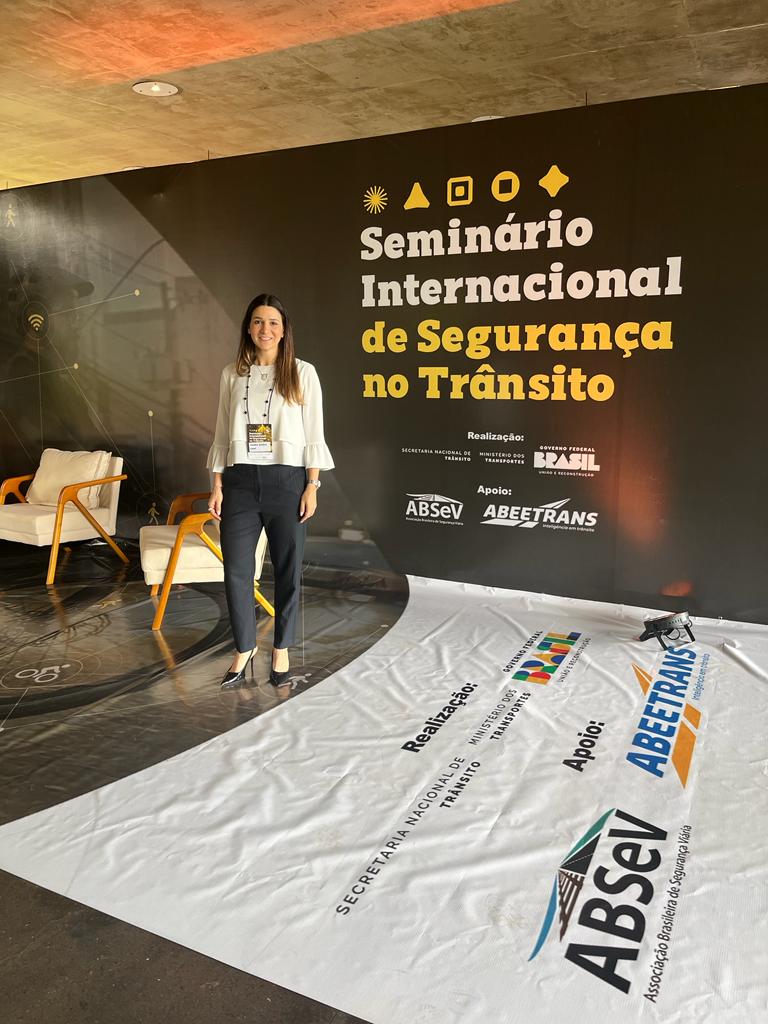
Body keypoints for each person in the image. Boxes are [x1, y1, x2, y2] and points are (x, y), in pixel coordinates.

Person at [206, 294, 334, 688]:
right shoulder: (231, 374)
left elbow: (314, 432)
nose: (266, 329)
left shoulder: (302, 372)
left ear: (284, 329)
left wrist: (312, 485)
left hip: (287, 482)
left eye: (273, 322)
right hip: (240, 483)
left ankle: (281, 648)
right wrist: (216, 484)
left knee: (287, 570)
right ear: (248, 328)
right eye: (259, 321)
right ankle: (244, 647)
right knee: (236, 570)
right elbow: (222, 432)